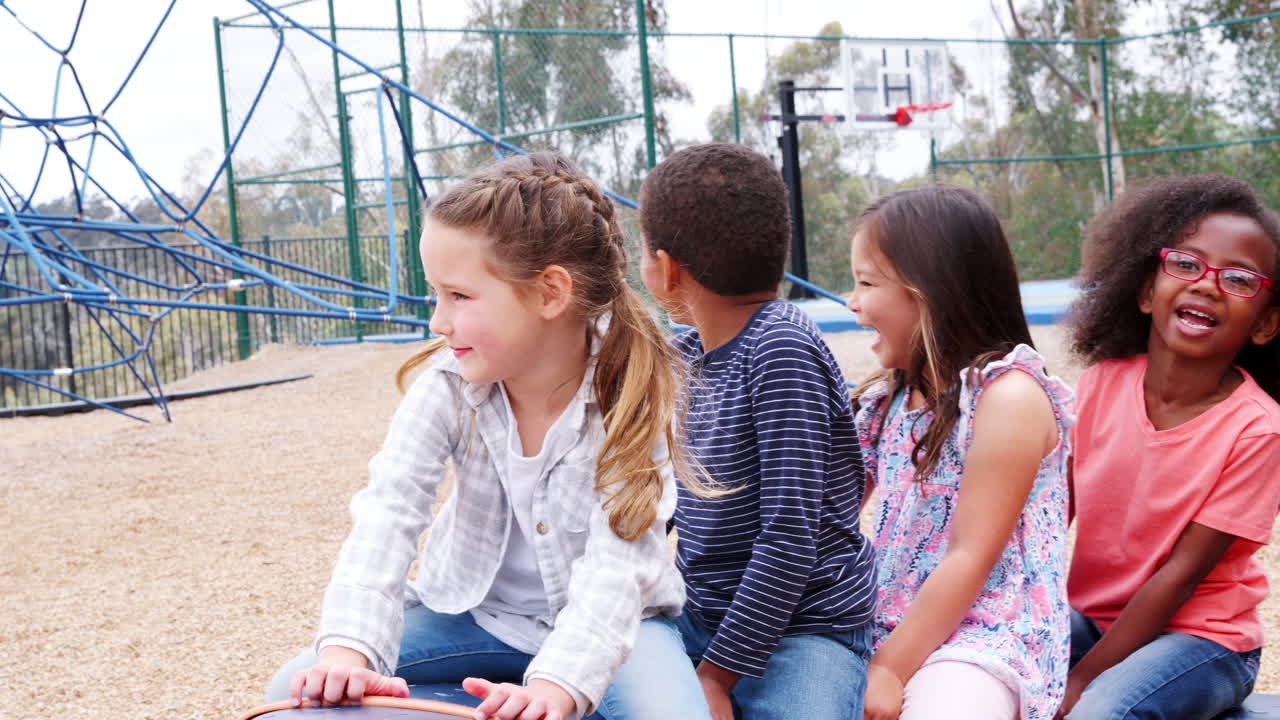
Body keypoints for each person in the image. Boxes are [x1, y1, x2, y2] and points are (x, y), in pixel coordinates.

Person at [264, 152, 714, 720]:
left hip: (619, 625)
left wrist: (553, 690)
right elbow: (389, 513)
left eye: (459, 296)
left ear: (551, 293)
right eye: (436, 294)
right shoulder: (447, 387)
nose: (437, 320)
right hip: (476, 616)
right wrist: (349, 651)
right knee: (296, 690)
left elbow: (618, 570)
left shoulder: (631, 394)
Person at [637, 142, 877, 720]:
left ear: (668, 268)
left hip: (806, 626)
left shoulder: (780, 348)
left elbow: (790, 537)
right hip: (703, 616)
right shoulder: (685, 354)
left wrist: (716, 678)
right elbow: (656, 497)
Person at [1057, 175, 1280, 720]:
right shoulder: (1101, 384)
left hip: (1204, 642)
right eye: (1186, 264)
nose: (1206, 285)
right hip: (1094, 620)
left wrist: (1082, 680)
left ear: (1267, 324)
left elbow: (1179, 578)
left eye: (1238, 279)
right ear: (1143, 290)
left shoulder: (1258, 429)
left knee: (1096, 714)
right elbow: (1049, 516)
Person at [848, 185, 1073, 720]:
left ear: (927, 291)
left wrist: (888, 669)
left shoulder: (1008, 397)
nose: (852, 302)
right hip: (887, 621)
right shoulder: (889, 399)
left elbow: (970, 557)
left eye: (865, 283)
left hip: (984, 635)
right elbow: (827, 513)